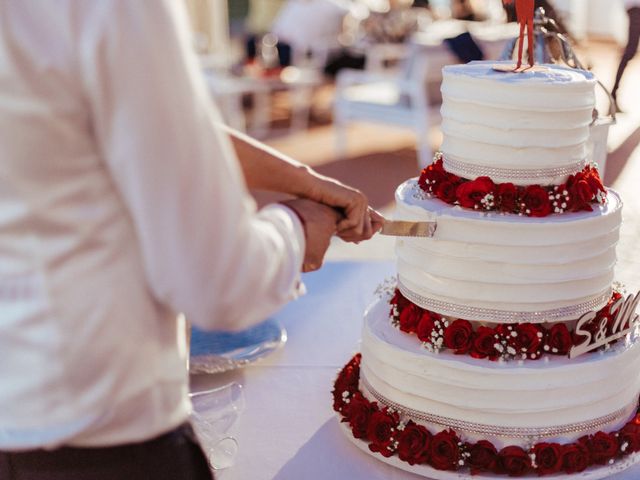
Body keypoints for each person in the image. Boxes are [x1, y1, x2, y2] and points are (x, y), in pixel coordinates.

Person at [0, 1, 382, 479]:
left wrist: (304, 181)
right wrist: (297, 229)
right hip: (101, 432)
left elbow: (136, 126)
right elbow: (217, 282)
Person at [612, 0, 640, 109]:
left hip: (634, 8)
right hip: (636, 9)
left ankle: (613, 94)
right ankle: (613, 94)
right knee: (630, 52)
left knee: (630, 52)